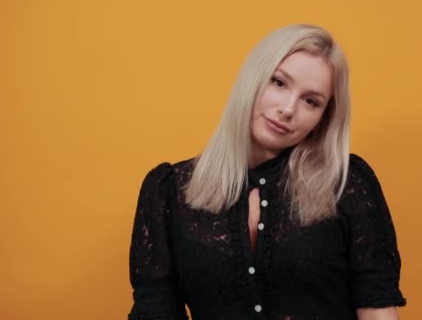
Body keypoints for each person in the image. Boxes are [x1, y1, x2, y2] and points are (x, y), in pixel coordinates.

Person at [128, 24, 406, 320]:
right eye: (279, 83)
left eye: (311, 101)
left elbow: (377, 307)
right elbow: (155, 311)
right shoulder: (169, 192)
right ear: (253, 78)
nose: (287, 109)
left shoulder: (346, 184)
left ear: (323, 118)